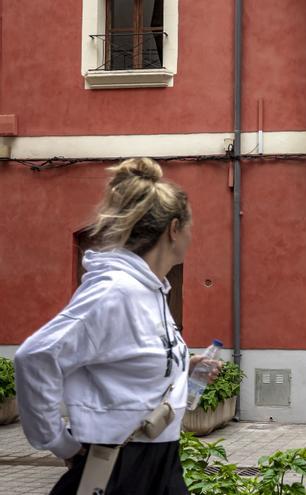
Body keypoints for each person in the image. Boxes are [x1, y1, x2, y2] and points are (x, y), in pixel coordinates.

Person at [14, 158, 217, 494]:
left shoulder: (151, 290)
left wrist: (184, 368)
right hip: (119, 466)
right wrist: (60, 443)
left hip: (160, 460)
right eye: (190, 228)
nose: (192, 237)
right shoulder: (115, 291)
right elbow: (35, 357)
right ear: (174, 229)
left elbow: (127, 365)